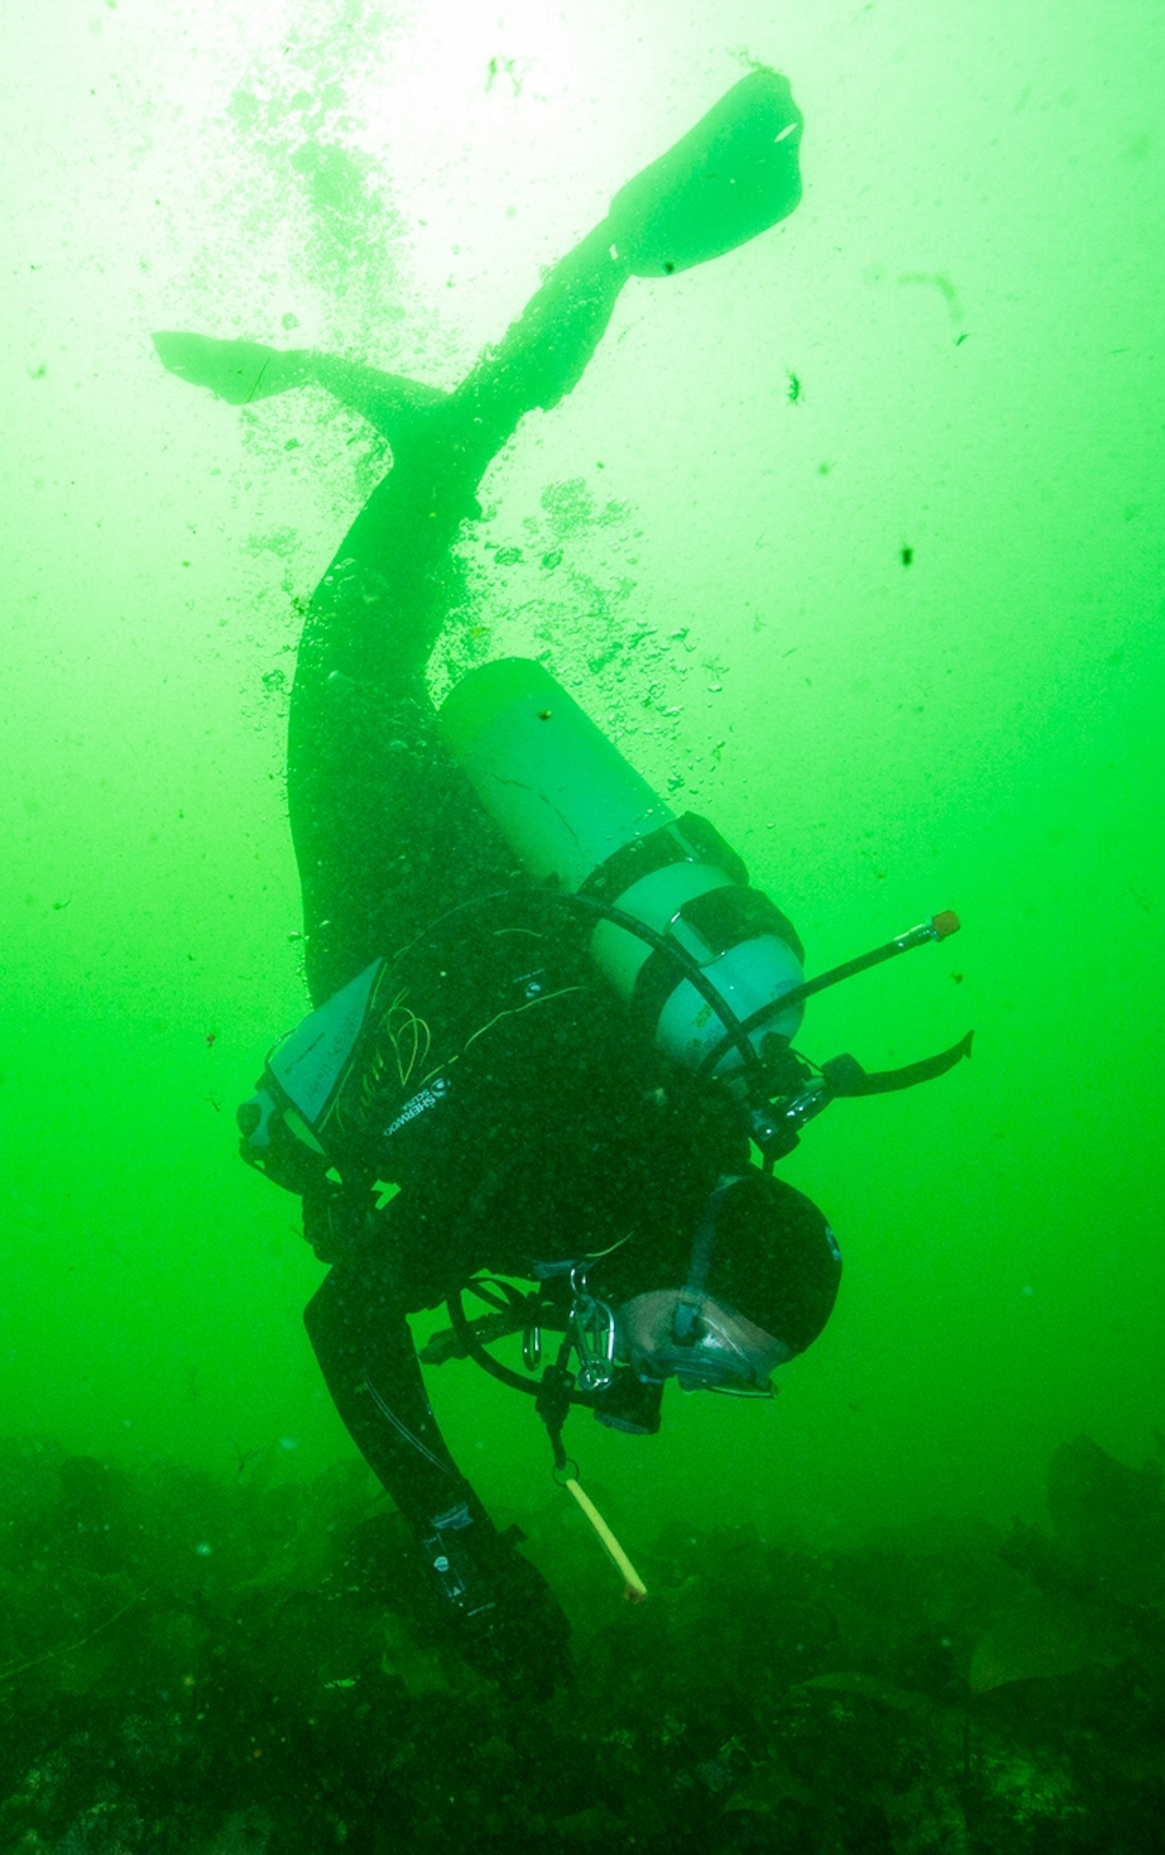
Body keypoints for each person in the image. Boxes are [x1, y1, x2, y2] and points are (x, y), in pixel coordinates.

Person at [157, 70, 849, 1701]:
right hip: (386, 803)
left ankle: (405, 402)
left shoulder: (675, 1137)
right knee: (365, 604)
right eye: (705, 1341)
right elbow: (351, 1323)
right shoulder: (568, 1185)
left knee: (417, 525)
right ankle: (584, 269)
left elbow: (416, 1210)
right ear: (694, 1263)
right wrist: (453, 1538)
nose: (677, 1369)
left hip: (452, 839)